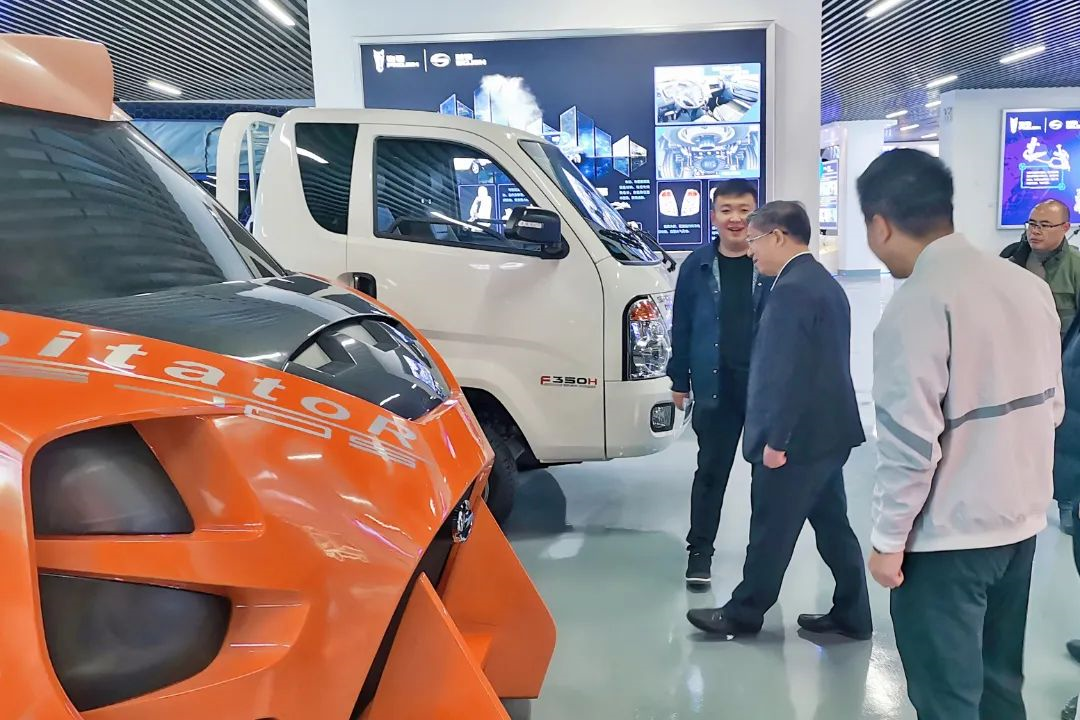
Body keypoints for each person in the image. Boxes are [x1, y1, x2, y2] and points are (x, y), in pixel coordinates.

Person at [860, 149, 1064, 720]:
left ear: (880, 225)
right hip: (1020, 528)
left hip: (947, 542)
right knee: (1000, 685)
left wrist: (888, 541)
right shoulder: (1027, 286)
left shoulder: (916, 305)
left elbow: (910, 446)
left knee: (946, 698)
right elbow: (1053, 407)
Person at [685, 201, 872, 639]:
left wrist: (777, 440)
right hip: (828, 433)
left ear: (778, 237)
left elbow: (790, 374)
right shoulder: (820, 282)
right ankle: (853, 612)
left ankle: (744, 613)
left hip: (798, 439)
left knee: (771, 526)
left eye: (754, 241)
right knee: (833, 526)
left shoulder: (791, 290)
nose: (750, 251)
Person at [667, 178, 770, 586]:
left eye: (744, 210)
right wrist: (679, 378)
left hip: (763, 390)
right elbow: (682, 326)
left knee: (766, 478)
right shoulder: (696, 266)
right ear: (713, 216)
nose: (735, 218)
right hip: (715, 389)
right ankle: (700, 552)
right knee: (710, 473)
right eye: (727, 210)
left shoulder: (769, 263)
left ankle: (761, 559)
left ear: (756, 214)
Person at [1001, 198, 1080, 532]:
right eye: (1032, 224)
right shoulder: (1010, 260)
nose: (1035, 231)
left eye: (1045, 225)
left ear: (1065, 228)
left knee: (1066, 440)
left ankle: (1067, 504)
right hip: (1016, 366)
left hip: (1062, 368)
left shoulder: (1076, 267)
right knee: (1013, 435)